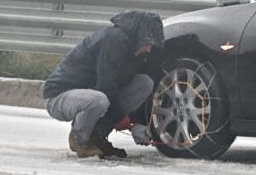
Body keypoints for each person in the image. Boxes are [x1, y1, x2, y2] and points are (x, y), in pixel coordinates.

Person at [43, 10, 165, 158]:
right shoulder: (114, 40)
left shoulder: (133, 50)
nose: (149, 49)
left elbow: (120, 89)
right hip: (59, 97)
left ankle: (96, 136)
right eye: (148, 43)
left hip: (90, 94)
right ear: (139, 35)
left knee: (144, 83)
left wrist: (136, 123)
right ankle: (79, 138)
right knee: (99, 100)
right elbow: (107, 86)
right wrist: (127, 123)